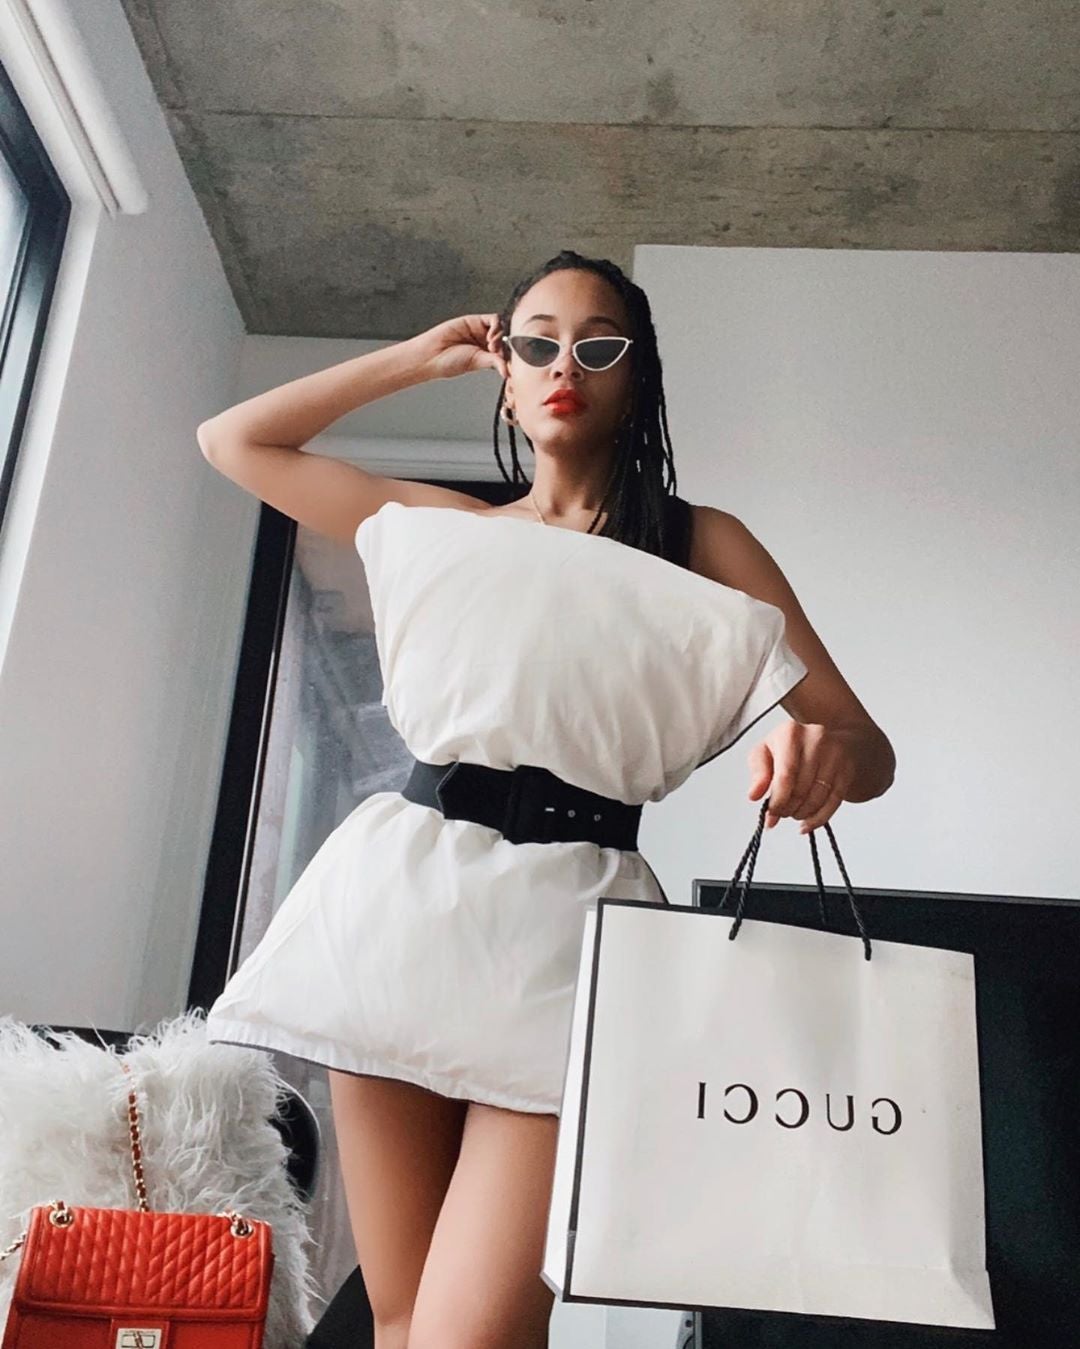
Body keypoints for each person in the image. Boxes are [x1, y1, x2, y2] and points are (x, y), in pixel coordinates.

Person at [196, 249, 896, 1349]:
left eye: (598, 344)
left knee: (470, 1335)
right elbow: (235, 441)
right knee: (399, 1319)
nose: (566, 364)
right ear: (506, 379)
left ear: (639, 376)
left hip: (575, 935)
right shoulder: (444, 525)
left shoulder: (700, 542)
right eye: (536, 342)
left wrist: (822, 755)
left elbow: (867, 743)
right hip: (403, 906)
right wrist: (413, 359)